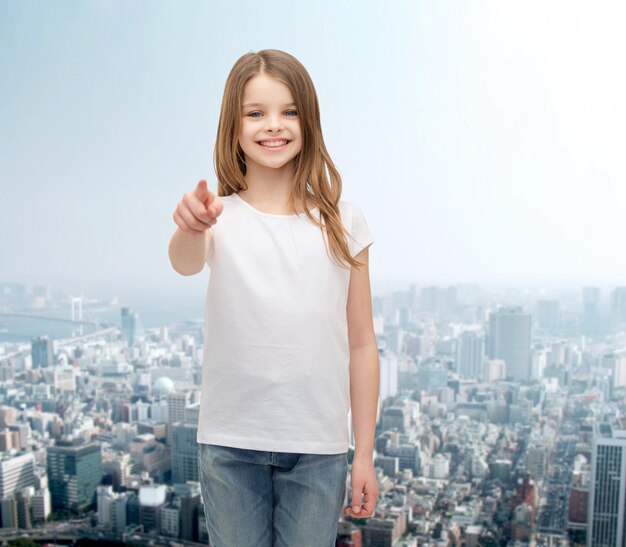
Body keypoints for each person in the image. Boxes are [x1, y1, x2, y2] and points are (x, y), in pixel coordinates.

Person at [168, 48, 380, 547]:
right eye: (255, 112)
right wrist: (190, 222)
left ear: (309, 120)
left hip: (318, 447)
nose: (273, 125)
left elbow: (362, 344)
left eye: (288, 111)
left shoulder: (343, 222)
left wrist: (364, 453)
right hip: (229, 445)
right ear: (234, 126)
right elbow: (184, 260)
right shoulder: (216, 215)